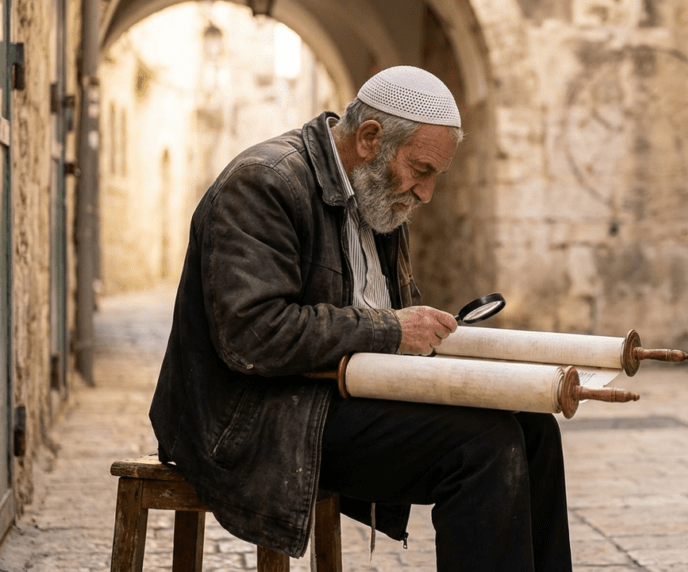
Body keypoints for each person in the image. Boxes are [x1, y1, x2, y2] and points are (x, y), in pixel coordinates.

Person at [148, 65, 573, 571]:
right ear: (371, 138)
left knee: (533, 428)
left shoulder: (378, 198)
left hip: (337, 397)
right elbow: (252, 335)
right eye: (421, 170)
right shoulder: (264, 183)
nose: (426, 193)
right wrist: (393, 329)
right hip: (254, 419)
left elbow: (394, 315)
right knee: (482, 445)